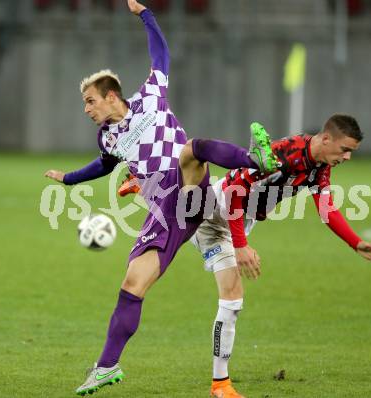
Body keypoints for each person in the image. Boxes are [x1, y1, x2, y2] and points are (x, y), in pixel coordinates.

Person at [44, 1, 278, 396]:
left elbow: (161, 53)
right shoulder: (107, 137)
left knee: (192, 150)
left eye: (90, 101)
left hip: (189, 187)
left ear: (111, 95)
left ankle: (258, 160)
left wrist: (145, 15)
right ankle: (106, 366)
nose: (87, 109)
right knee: (132, 285)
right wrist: (68, 179)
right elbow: (103, 166)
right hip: (166, 214)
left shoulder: (150, 96)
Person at [120, 114, 371, 397]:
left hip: (233, 218)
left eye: (351, 152)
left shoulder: (318, 167)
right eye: (345, 149)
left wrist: (355, 243)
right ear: (326, 139)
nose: (347, 157)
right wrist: (240, 244)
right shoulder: (285, 154)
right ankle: (220, 385)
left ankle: (147, 185)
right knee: (229, 286)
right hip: (219, 213)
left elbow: (326, 207)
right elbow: (237, 191)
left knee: (230, 292)